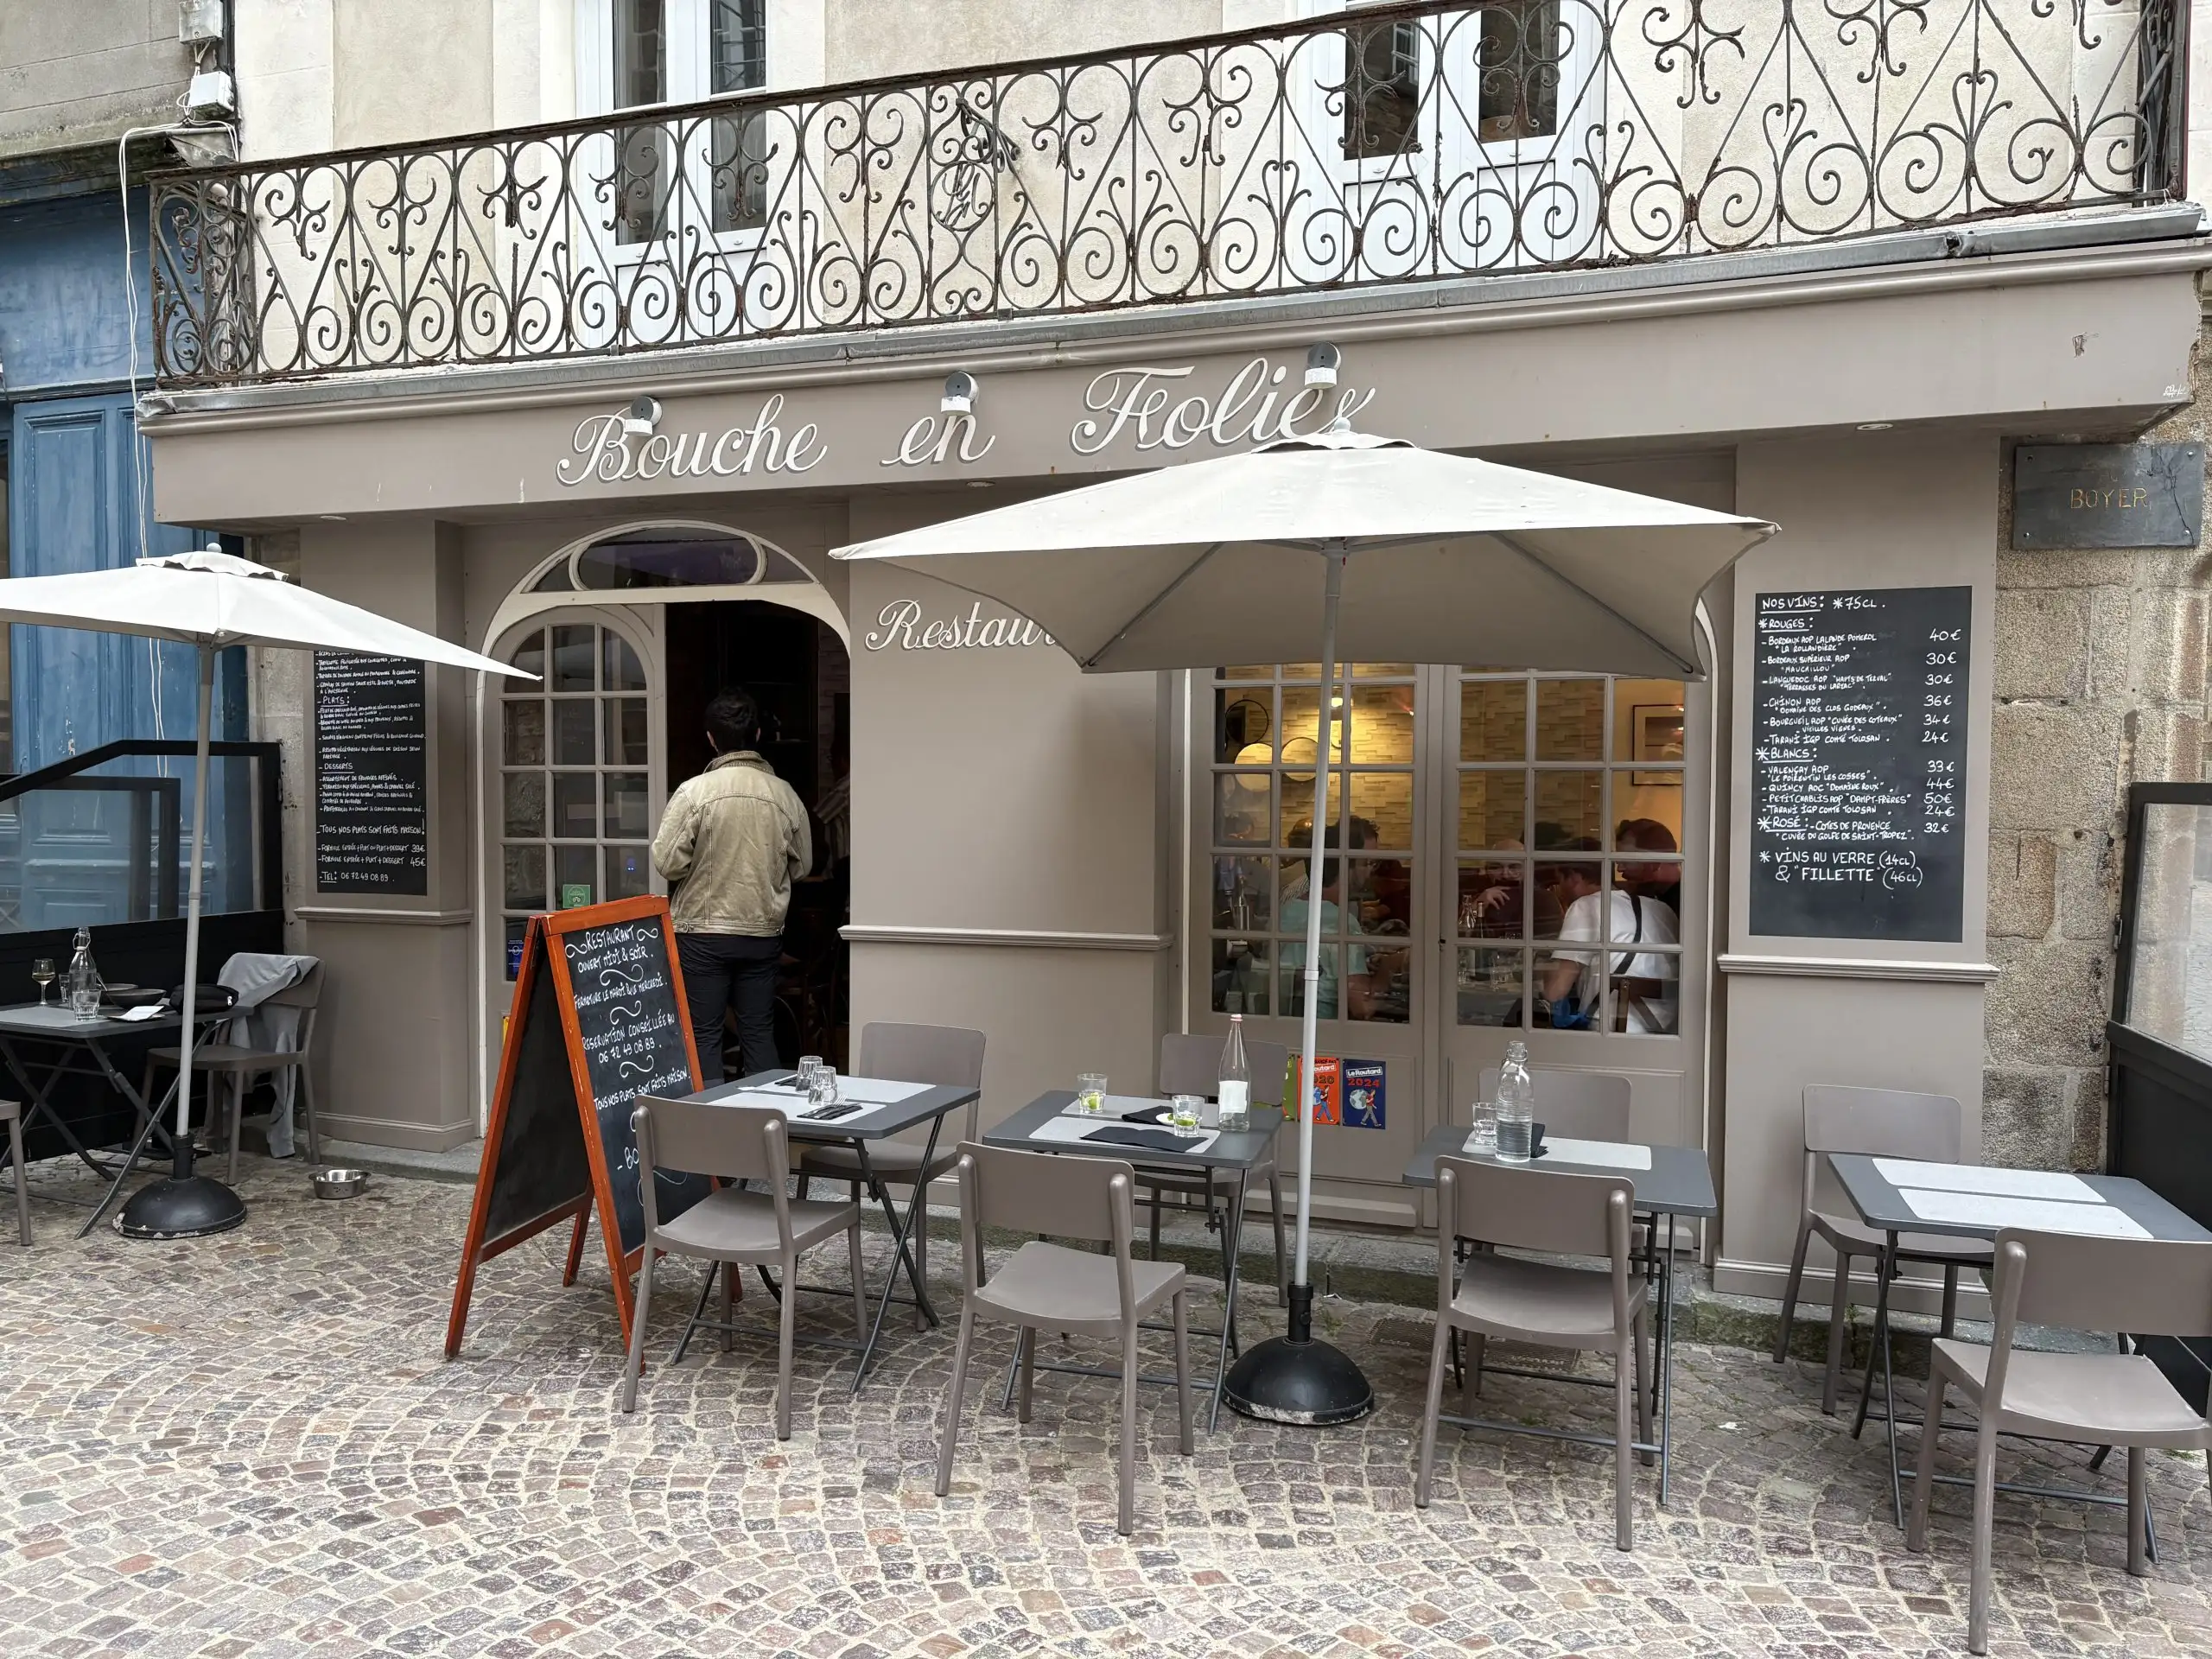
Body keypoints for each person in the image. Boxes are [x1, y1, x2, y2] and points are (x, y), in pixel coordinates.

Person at [652, 688, 811, 1082]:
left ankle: (711, 1118)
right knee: (758, 1032)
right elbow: (803, 866)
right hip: (762, 933)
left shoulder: (694, 792)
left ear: (711, 738)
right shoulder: (785, 794)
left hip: (702, 935)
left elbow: (667, 863)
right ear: (757, 735)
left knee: (705, 1036)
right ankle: (766, 1117)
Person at [1540, 851, 1679, 1034]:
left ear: (1574, 877)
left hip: (1610, 1029)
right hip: (1670, 1029)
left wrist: (1541, 969)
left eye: (1560, 881)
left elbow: (1554, 992)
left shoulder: (1587, 906)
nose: (1559, 889)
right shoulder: (1661, 908)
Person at [1278, 829, 1376, 1021]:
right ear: (1347, 867)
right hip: (1325, 1031)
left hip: (1284, 1026)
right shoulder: (1342, 922)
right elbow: (1362, 1008)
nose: (1370, 870)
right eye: (1366, 863)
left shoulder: (1285, 910)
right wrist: (1388, 971)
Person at [1616, 817, 1682, 915]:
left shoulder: (1686, 900)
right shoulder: (1654, 894)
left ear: (1654, 860)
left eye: (1625, 861)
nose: (1619, 869)